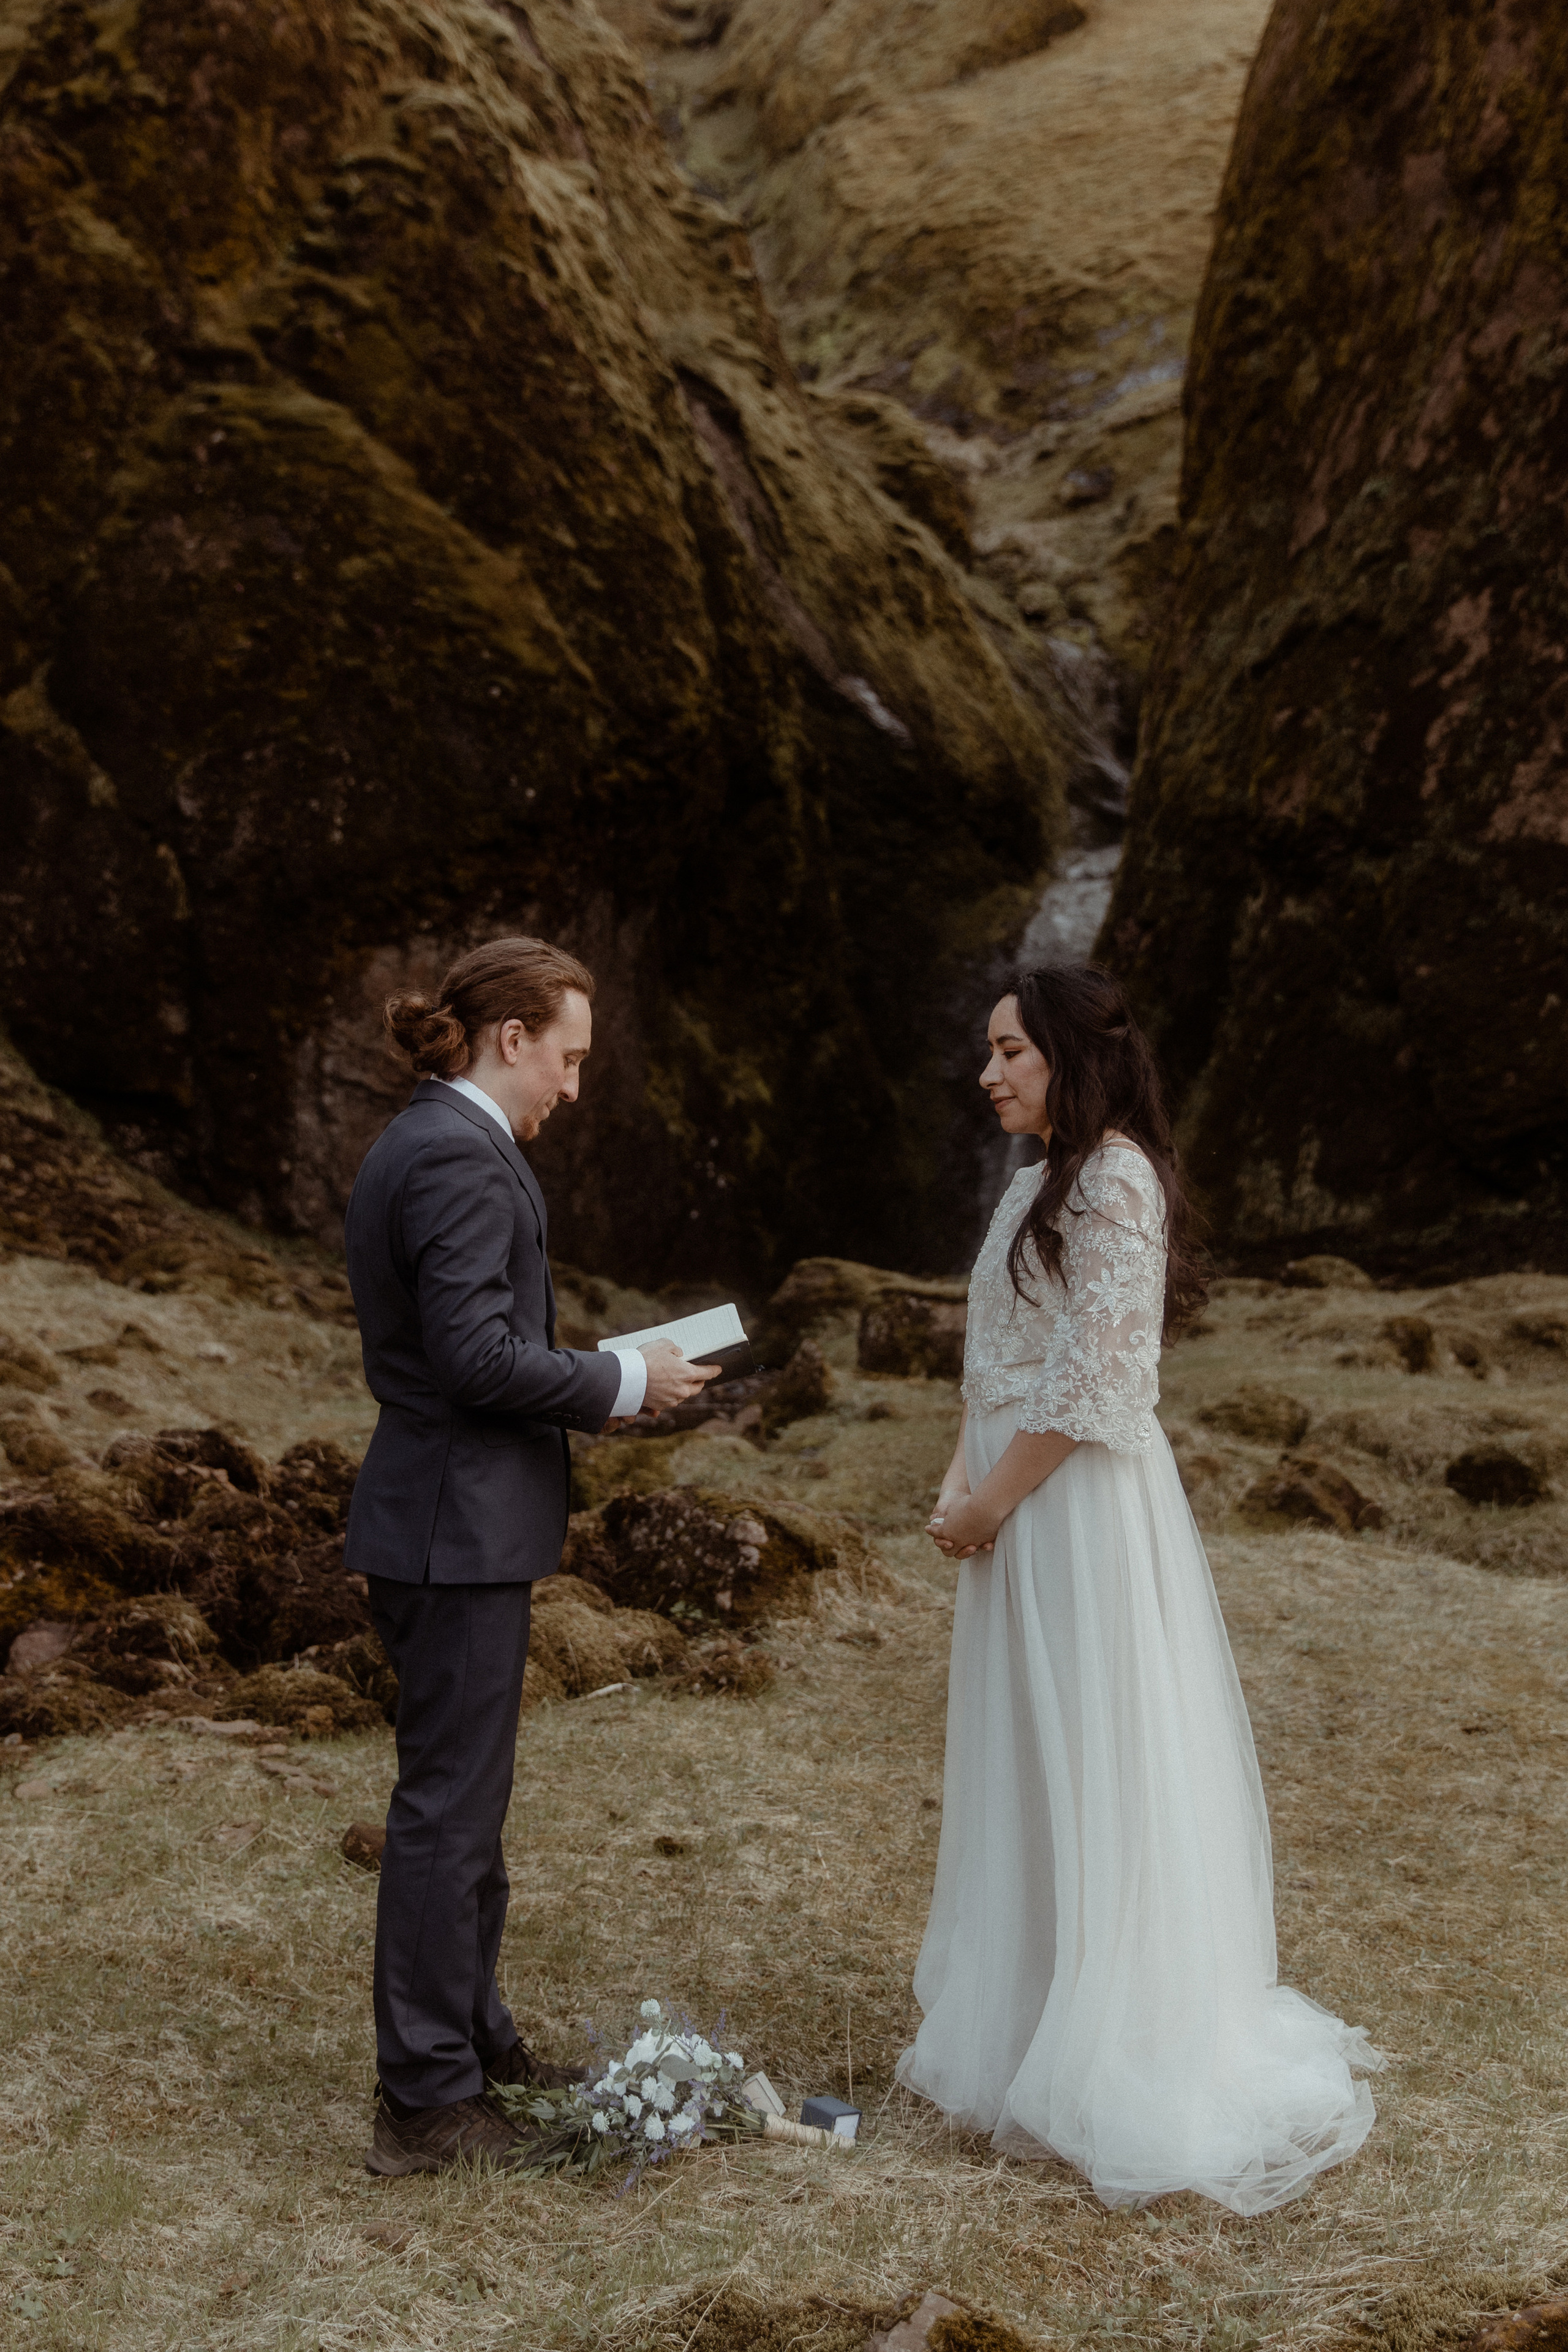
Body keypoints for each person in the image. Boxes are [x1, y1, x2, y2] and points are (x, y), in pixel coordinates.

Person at [899, 963, 1382, 2215]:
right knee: (1026, 1747)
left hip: (1075, 1513)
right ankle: (1029, 2005)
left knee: (1097, 1745)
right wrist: (957, 1483)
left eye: (1009, 1050)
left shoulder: (1112, 1177)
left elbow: (1093, 1384)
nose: (988, 1072)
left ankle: (1115, 2029)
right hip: (1006, 1503)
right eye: (987, 1051)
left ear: (1070, 1055)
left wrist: (992, 1501)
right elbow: (994, 1362)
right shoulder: (1023, 1188)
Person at [344, 936, 716, 2177]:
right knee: (447, 1815)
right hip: (452, 1530)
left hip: (449, 1520)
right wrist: (620, 1378)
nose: (572, 1086)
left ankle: (473, 2042)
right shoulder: (454, 1155)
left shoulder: (433, 1140)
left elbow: (480, 1345)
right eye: (566, 1059)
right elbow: (471, 1360)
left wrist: (615, 1374)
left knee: (466, 1809)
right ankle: (426, 2101)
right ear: (512, 1040)